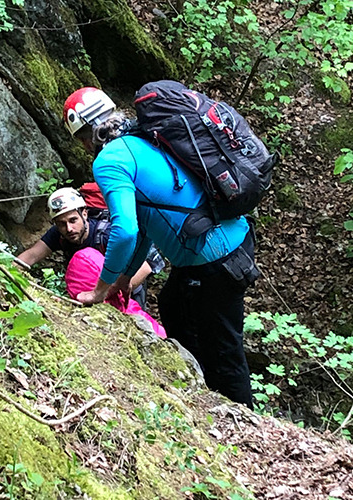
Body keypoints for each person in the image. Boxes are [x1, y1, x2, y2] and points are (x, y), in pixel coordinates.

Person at [62, 86, 259, 409]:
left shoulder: (109, 161)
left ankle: (243, 423)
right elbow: (147, 226)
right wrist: (124, 278)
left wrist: (100, 290)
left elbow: (125, 231)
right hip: (223, 241)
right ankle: (205, 399)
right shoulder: (143, 139)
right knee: (174, 309)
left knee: (223, 348)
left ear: (85, 136)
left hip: (214, 257)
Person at [17, 187, 164, 310]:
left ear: (84, 214)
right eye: (61, 223)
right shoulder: (58, 234)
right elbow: (32, 255)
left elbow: (146, 265)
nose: (69, 228)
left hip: (125, 287)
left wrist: (108, 290)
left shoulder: (107, 233)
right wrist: (8, 268)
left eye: (73, 220)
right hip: (91, 291)